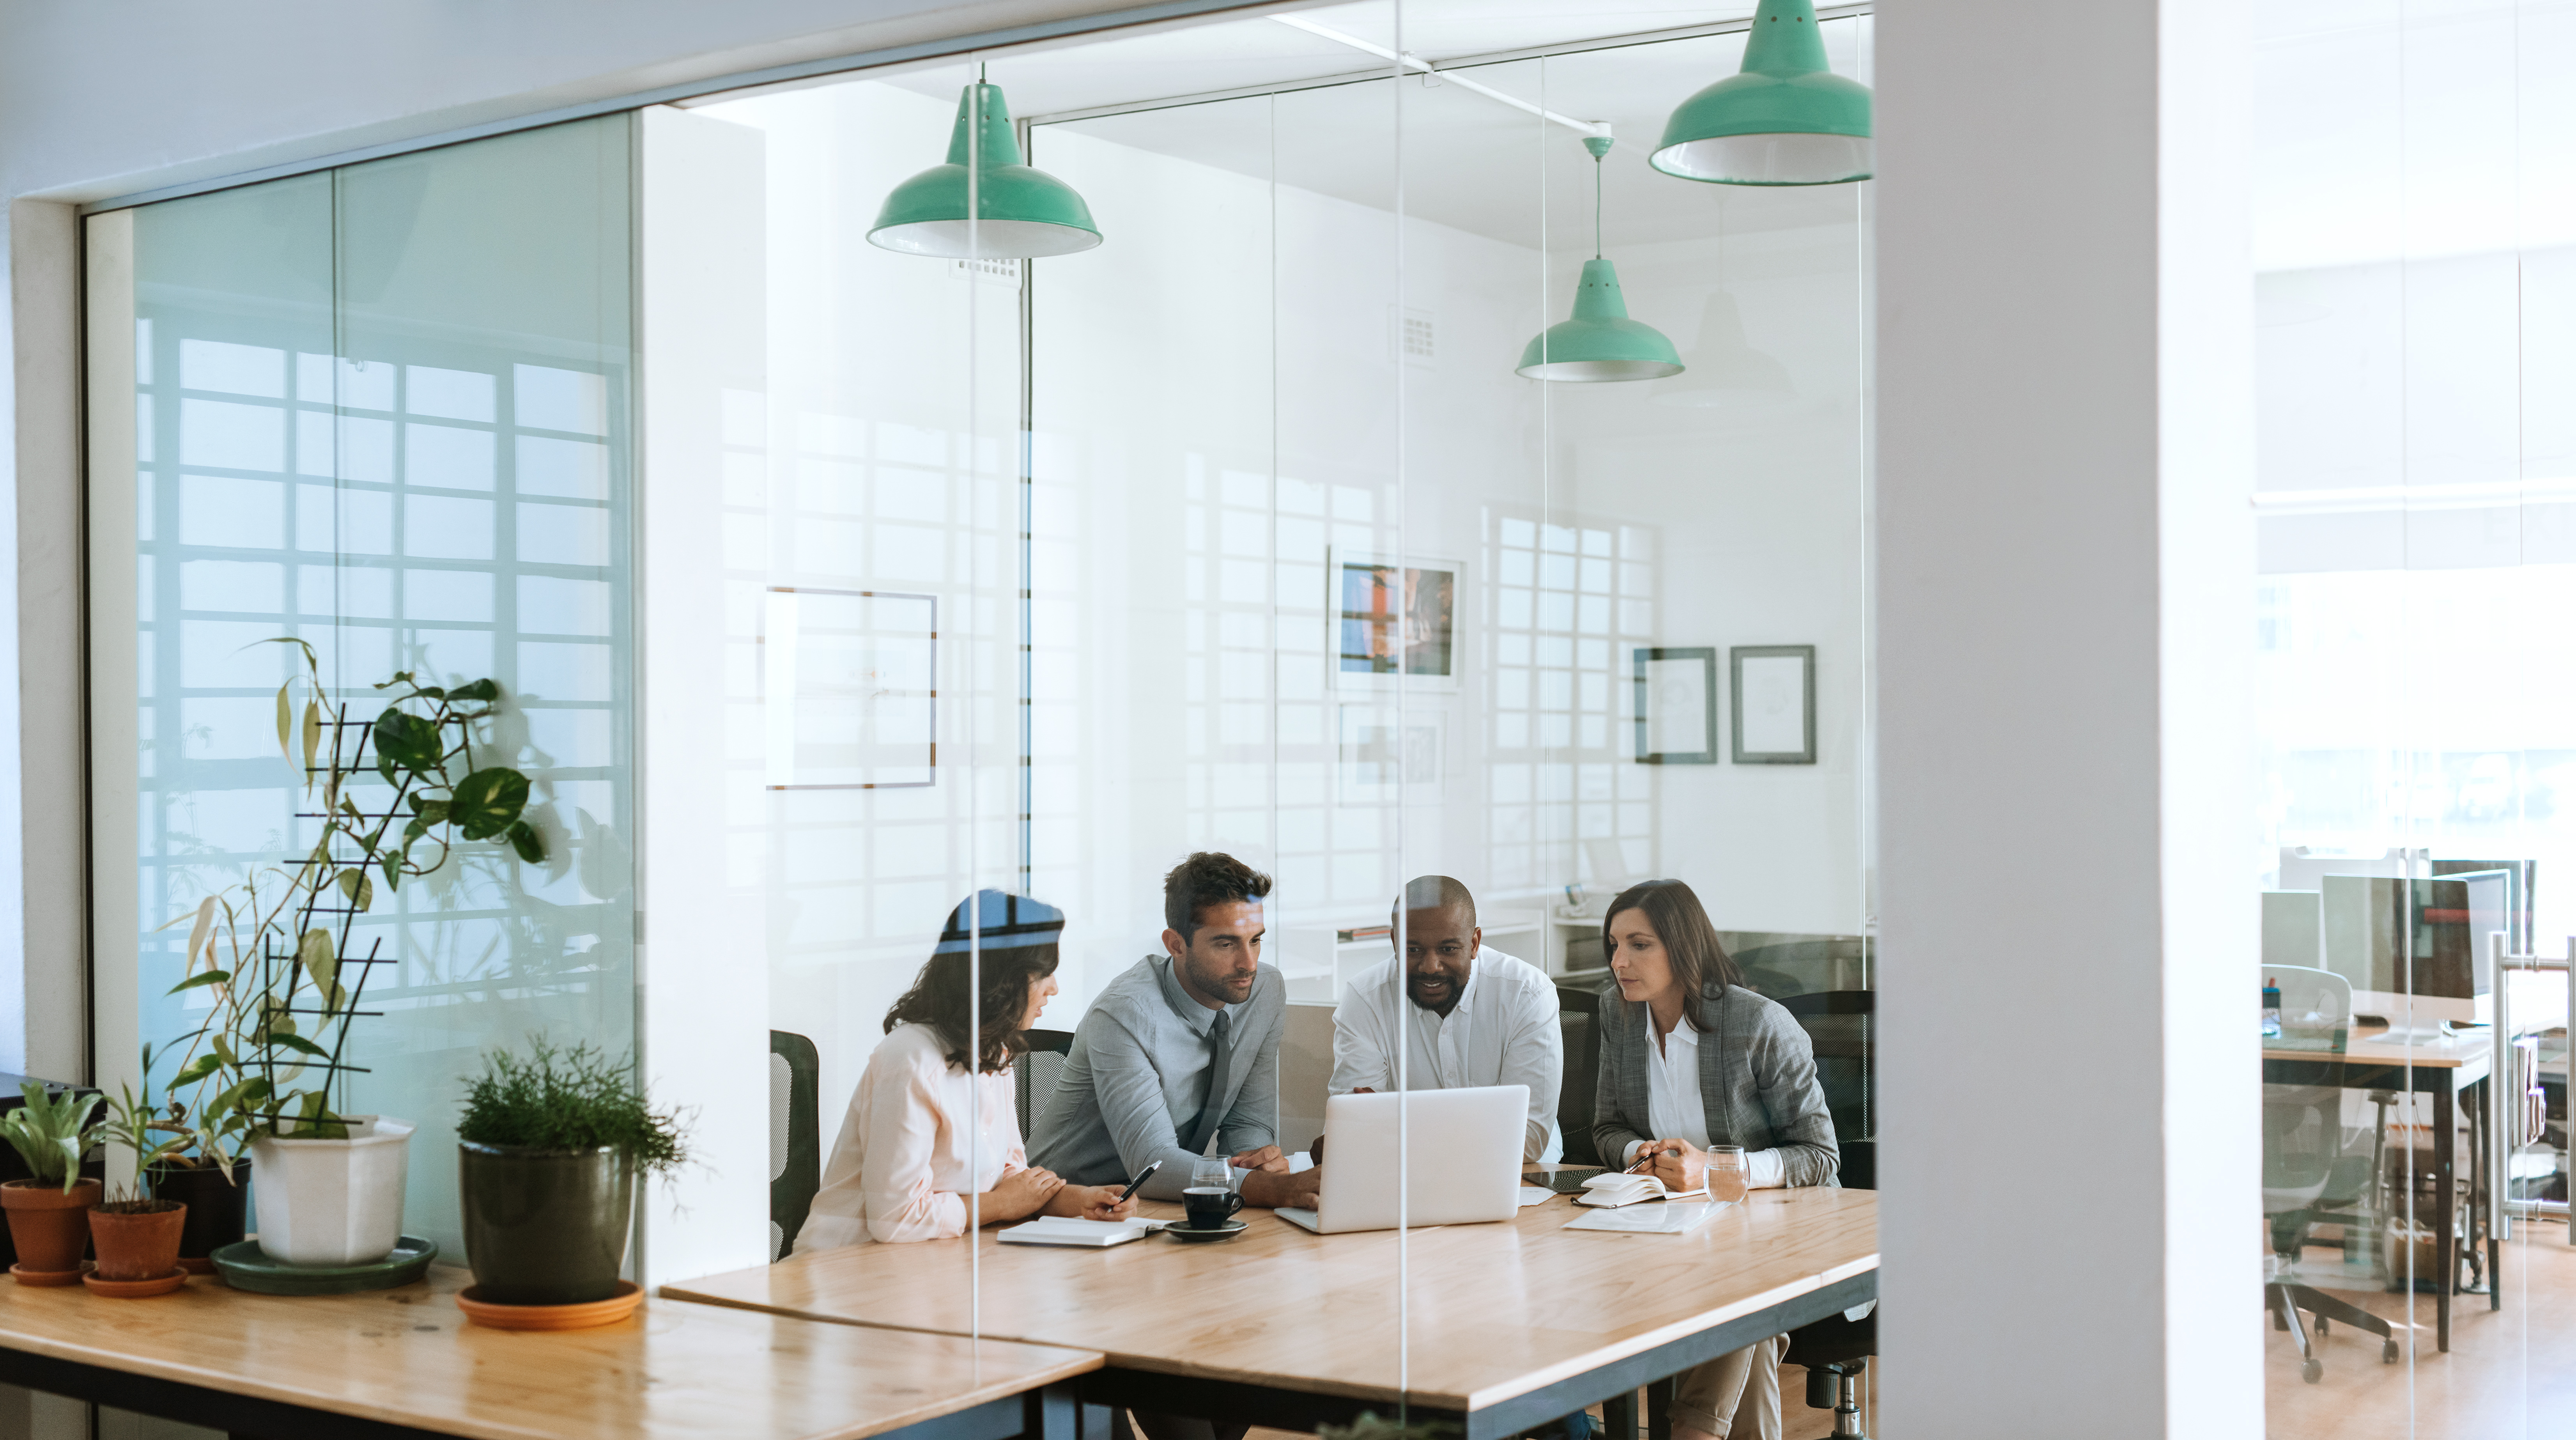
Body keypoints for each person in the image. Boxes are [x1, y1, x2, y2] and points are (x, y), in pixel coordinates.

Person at [1592, 879, 1838, 1440]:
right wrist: (1645, 1155)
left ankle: (1693, 1430)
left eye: (1638, 944)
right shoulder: (1619, 1013)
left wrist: (1716, 1170)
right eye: (1613, 944)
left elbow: (1820, 1155)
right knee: (1749, 1327)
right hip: (1673, 1227)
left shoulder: (1757, 1024)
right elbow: (1607, 1128)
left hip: (1779, 1232)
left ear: (1681, 947)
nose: (1618, 962)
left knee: (1742, 1296)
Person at [794, 891, 1135, 1250]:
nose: (1054, 988)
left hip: (935, 1258)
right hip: (849, 1265)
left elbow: (1011, 1179)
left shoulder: (994, 1053)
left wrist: (1079, 1200)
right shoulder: (911, 1059)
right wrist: (1003, 1203)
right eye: (1043, 974)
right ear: (1000, 980)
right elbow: (894, 1218)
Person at [1030, 852, 1321, 1210]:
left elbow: (1248, 1119)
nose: (1248, 964)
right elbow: (1153, 1165)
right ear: (1175, 944)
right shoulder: (1125, 1012)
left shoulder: (1264, 991)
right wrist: (1276, 1189)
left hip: (1163, 1207)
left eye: (1256, 940)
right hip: (1066, 1213)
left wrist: (1255, 1162)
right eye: (1226, 943)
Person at [1329, 875, 1563, 1162]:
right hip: (1406, 1173)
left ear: (1474, 943)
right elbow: (1353, 1128)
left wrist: (1392, 1124)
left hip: (1519, 1172)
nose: (1430, 967)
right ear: (1394, 942)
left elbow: (1526, 1140)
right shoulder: (1365, 998)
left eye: (1448, 949)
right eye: (1412, 949)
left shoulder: (1527, 994)